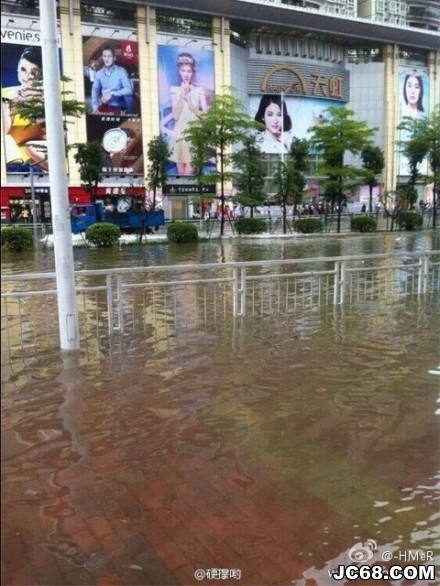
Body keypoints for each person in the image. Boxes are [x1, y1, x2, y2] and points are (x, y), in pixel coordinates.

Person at [1, 46, 47, 170]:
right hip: (14, 159)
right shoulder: (7, 95)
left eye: (33, 73)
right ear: (17, 69)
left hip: (41, 156)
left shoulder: (50, 96)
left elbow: (54, 134)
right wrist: (6, 104)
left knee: (30, 147)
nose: (26, 77)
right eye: (23, 69)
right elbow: (3, 133)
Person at [169, 53, 208, 176]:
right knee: (181, 174)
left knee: (189, 172)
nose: (186, 74)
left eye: (189, 71)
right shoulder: (174, 90)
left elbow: (205, 116)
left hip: (194, 134)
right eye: (183, 71)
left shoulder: (199, 90)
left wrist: (192, 105)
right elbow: (175, 115)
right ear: (179, 71)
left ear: (193, 73)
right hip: (179, 134)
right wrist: (182, 97)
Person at [91, 46, 134, 114]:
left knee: (116, 103)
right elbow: (95, 89)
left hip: (118, 100)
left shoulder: (121, 71)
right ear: (102, 58)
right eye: (105, 56)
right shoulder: (99, 73)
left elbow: (129, 90)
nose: (107, 59)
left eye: (109, 56)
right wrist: (95, 106)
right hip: (104, 102)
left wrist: (111, 94)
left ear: (114, 58)